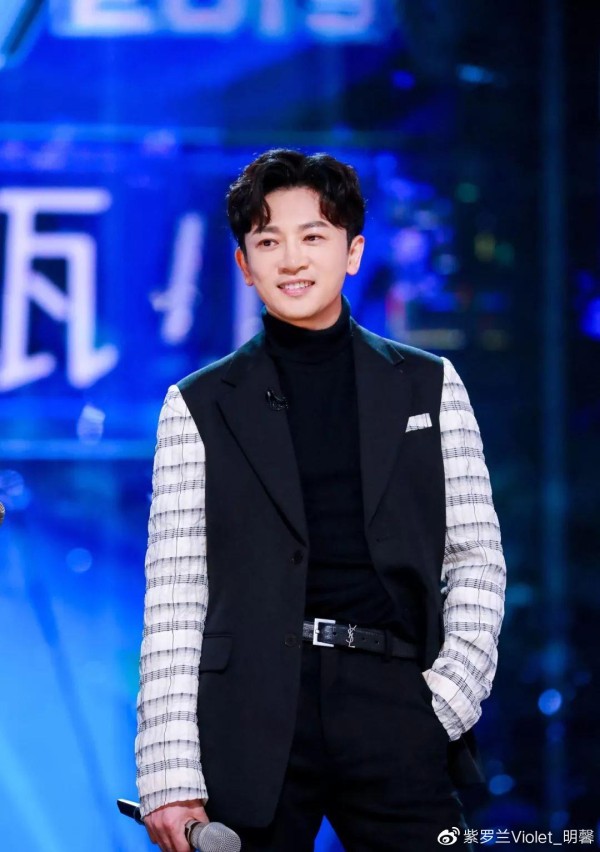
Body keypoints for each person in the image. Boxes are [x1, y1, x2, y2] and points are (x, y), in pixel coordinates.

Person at [135, 149, 506, 852]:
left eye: (313, 236)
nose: (292, 259)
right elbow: (175, 596)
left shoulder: (429, 384)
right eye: (268, 241)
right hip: (251, 712)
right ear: (245, 264)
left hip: (394, 701)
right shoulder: (198, 404)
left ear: (353, 251)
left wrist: (447, 701)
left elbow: (476, 559)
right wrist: (169, 772)